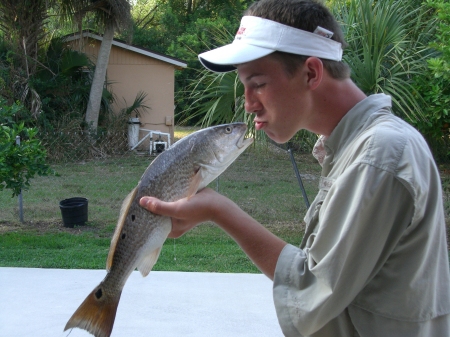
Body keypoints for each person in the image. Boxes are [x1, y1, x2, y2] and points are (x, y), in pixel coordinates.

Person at [140, 0, 450, 336]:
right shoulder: (354, 147)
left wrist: (219, 210)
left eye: (257, 83)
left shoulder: (379, 156)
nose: (247, 103)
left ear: (312, 73)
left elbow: (310, 290)